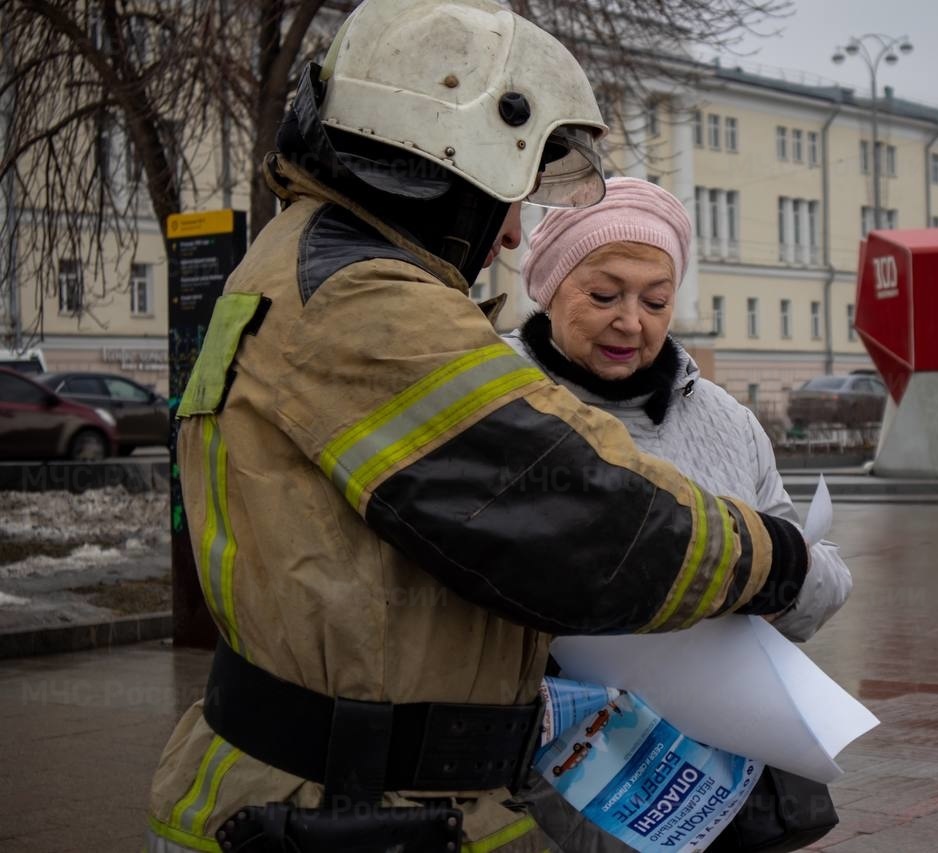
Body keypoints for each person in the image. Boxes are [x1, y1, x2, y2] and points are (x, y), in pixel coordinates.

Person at [145, 1, 810, 851]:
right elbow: (586, 515)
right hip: (356, 813)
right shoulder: (366, 303)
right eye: (501, 193)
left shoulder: (301, 262)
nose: (506, 233)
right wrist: (776, 559)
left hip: (344, 800)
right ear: (425, 164)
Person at [504, 177, 852, 853]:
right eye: (604, 295)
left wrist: (784, 576)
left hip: (715, 783)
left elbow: (822, 579)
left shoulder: (726, 420)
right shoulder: (495, 397)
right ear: (548, 287)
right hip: (549, 782)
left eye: (655, 300)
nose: (632, 320)